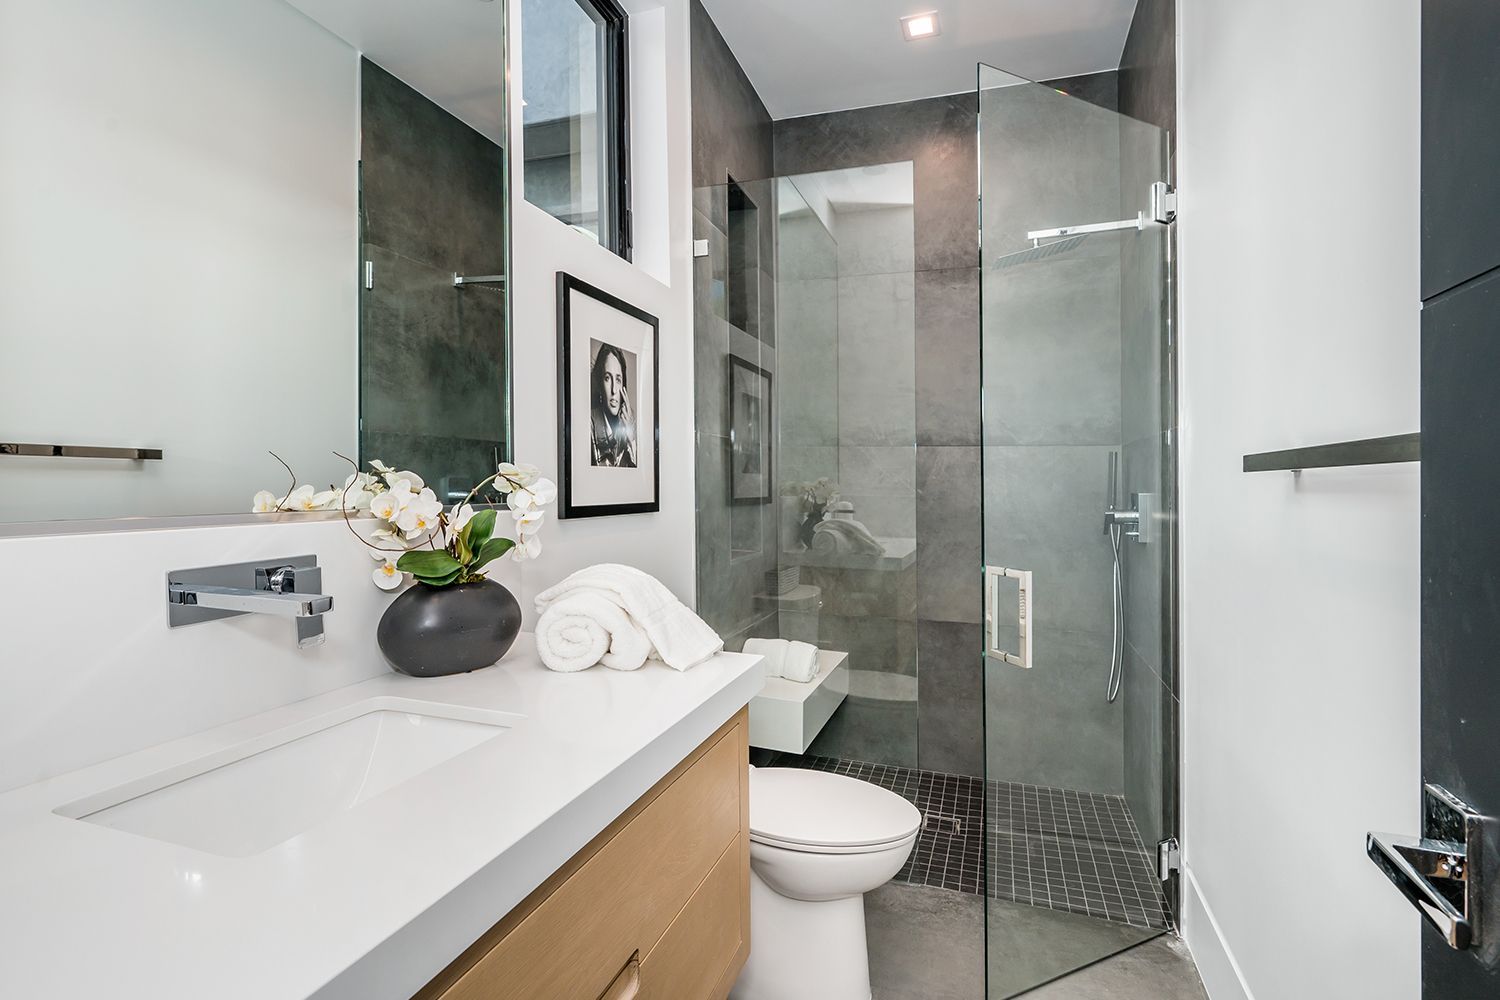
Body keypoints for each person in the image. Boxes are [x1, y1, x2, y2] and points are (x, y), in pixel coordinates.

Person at [590, 342, 637, 467]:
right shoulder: (590, 423)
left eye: (618, 380)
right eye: (607, 378)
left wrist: (631, 436)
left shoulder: (630, 424)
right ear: (600, 384)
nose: (613, 390)